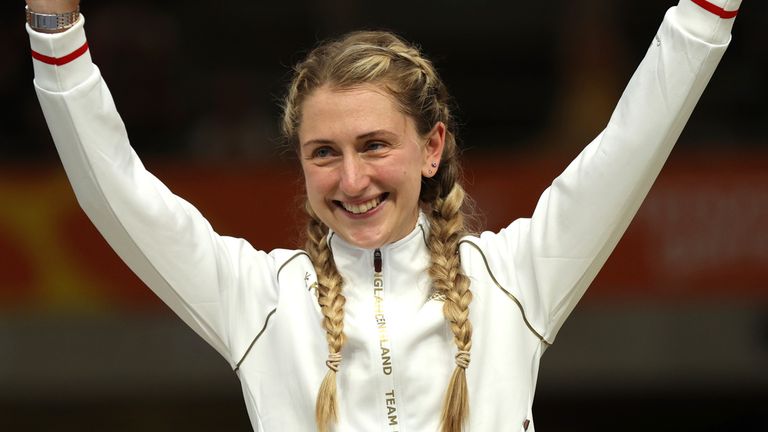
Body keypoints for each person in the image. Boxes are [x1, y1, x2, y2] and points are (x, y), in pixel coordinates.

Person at [25, 0, 742, 431]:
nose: (352, 179)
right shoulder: (260, 300)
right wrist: (54, 31)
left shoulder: (515, 278)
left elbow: (633, 142)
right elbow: (112, 187)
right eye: (323, 154)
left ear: (431, 147)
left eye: (374, 146)